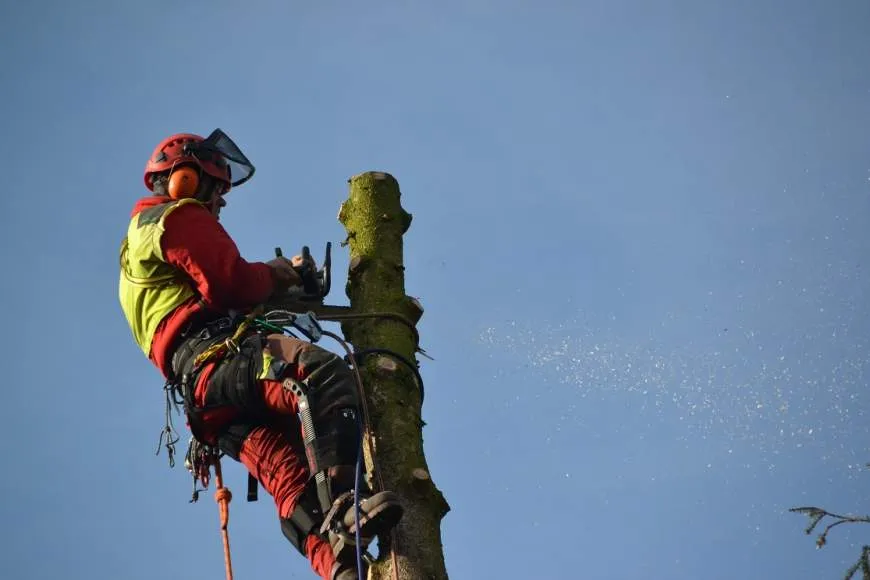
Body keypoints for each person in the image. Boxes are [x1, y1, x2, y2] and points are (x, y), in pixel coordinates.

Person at [118, 129, 403, 580]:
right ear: (186, 179)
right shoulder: (175, 216)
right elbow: (231, 282)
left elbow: (209, 298)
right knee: (319, 377)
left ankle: (339, 567)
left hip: (207, 398)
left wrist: (271, 292)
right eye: (218, 187)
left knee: (287, 471)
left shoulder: (136, 258)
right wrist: (278, 275)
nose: (221, 202)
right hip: (222, 361)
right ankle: (348, 507)